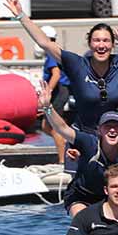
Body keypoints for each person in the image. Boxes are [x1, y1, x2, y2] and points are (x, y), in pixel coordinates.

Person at [6, 0, 118, 132]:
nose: (101, 45)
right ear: (90, 44)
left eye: (106, 41)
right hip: (84, 135)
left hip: (112, 136)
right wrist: (21, 15)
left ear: (112, 44)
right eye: (96, 40)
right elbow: (45, 43)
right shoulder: (77, 64)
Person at [42, 100, 118, 216]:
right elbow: (62, 128)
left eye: (116, 127)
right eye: (107, 126)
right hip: (81, 196)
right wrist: (47, 107)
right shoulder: (89, 143)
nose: (112, 130)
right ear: (99, 130)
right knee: (84, 220)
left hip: (109, 197)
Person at [40, 25, 72, 163]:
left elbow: (56, 74)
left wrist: (48, 91)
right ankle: (66, 147)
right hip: (62, 90)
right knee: (46, 126)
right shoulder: (55, 50)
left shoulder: (51, 52)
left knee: (54, 128)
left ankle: (62, 160)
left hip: (60, 91)